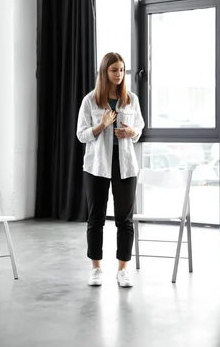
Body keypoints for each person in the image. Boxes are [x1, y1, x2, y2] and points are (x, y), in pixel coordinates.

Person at [76, 52, 145, 288]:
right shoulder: (90, 101)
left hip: (125, 166)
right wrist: (102, 125)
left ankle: (123, 270)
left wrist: (131, 132)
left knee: (124, 220)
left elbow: (139, 128)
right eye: (114, 70)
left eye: (122, 70)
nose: (119, 74)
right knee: (96, 218)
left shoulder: (131, 100)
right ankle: (96, 269)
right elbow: (81, 134)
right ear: (104, 72)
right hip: (97, 166)